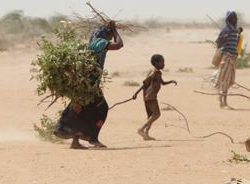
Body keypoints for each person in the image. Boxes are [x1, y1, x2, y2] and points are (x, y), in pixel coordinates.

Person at [55, 20, 124, 149]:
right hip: (89, 83)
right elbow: (119, 45)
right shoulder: (99, 43)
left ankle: (76, 141)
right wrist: (114, 30)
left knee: (81, 110)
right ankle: (93, 139)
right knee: (101, 108)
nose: (110, 38)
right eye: (109, 35)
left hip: (86, 83)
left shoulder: (93, 42)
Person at [133, 54, 177, 140]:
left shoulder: (157, 72)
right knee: (157, 114)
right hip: (151, 96)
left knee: (150, 116)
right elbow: (145, 83)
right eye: (162, 62)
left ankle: (146, 134)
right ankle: (141, 129)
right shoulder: (155, 72)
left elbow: (162, 83)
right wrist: (136, 93)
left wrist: (171, 81)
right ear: (156, 63)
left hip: (149, 96)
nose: (164, 64)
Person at [216, 11, 240, 108]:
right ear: (228, 19)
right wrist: (224, 38)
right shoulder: (225, 30)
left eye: (235, 17)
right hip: (226, 57)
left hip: (232, 58)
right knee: (224, 80)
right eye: (232, 18)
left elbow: (236, 44)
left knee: (230, 80)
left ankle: (221, 98)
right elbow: (218, 43)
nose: (234, 19)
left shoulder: (235, 31)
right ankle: (222, 102)